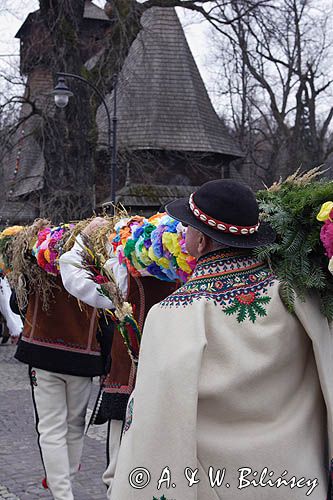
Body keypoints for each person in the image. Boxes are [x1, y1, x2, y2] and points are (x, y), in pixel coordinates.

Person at [107, 179, 332, 500]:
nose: (183, 235)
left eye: (187, 227)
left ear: (200, 242)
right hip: (297, 481)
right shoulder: (301, 295)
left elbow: (156, 423)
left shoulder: (171, 315)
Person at [59, 217, 178, 493]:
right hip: (180, 383)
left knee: (121, 473)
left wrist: (83, 241)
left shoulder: (127, 271)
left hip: (131, 380)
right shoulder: (195, 266)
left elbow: (75, 275)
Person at [14, 273, 105, 500]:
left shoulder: (37, 254)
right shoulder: (94, 258)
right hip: (83, 353)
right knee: (74, 426)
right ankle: (64, 484)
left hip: (43, 350)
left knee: (51, 429)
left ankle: (63, 493)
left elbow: (17, 303)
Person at [0, 276, 23, 342]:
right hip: (4, 286)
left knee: (8, 310)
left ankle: (15, 333)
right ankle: (8, 334)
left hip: (4, 286)